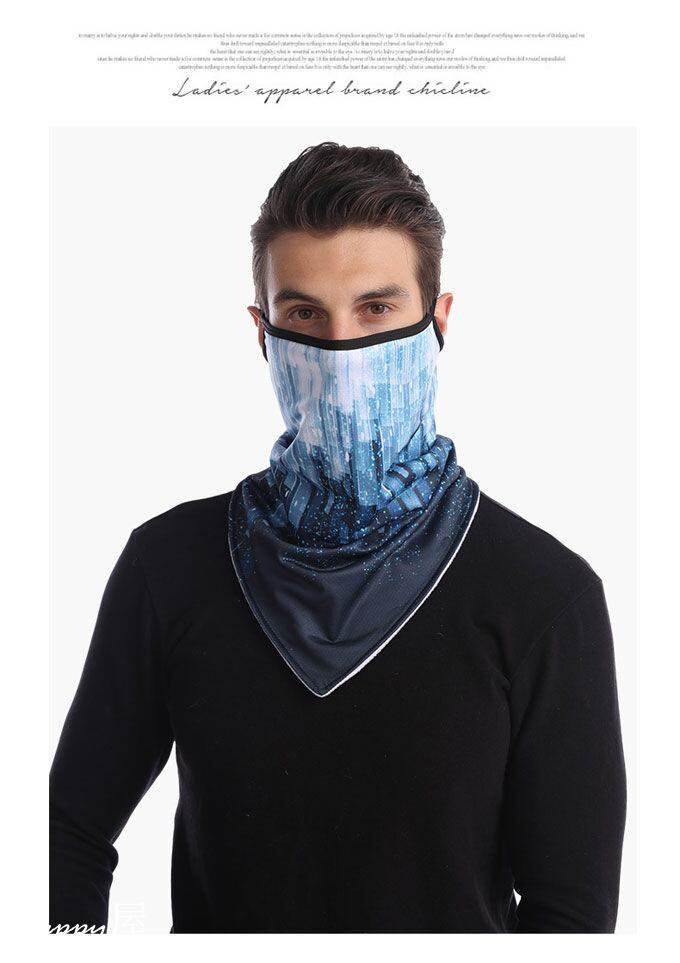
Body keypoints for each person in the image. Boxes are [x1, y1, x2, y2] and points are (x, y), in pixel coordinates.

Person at [49, 142, 627, 934]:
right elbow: (67, 834)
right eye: (305, 315)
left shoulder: (544, 595)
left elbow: (572, 915)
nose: (342, 350)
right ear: (262, 332)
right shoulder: (170, 566)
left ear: (439, 322)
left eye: (377, 309)